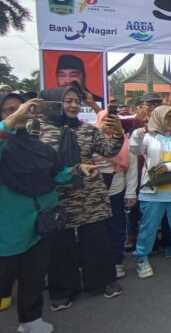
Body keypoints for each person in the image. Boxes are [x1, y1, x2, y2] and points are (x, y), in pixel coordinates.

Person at [0, 94, 98, 333]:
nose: (20, 113)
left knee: (33, 277)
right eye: (9, 110)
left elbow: (56, 173)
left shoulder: (38, 146)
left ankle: (30, 320)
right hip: (8, 228)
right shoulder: (4, 144)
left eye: (23, 108)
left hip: (41, 224)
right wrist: (13, 119)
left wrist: (78, 169)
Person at [37, 87, 125, 310]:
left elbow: (109, 151)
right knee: (60, 244)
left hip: (89, 194)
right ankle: (63, 290)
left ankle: (102, 281)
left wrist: (117, 133)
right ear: (56, 103)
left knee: (96, 240)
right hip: (56, 195)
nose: (74, 105)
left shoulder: (87, 129)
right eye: (68, 101)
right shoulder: (37, 129)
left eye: (77, 101)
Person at [129, 105, 171, 278]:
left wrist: (169, 166)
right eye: (168, 117)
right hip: (152, 193)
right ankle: (142, 257)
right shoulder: (148, 138)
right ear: (158, 118)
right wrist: (137, 134)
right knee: (148, 228)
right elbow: (134, 149)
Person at [93, 110, 139, 279]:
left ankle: (116, 261)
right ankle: (94, 262)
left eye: (113, 121)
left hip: (116, 189)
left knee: (116, 227)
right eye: (105, 120)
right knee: (95, 229)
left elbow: (132, 169)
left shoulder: (125, 142)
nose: (109, 124)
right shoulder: (89, 139)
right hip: (92, 191)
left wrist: (130, 193)